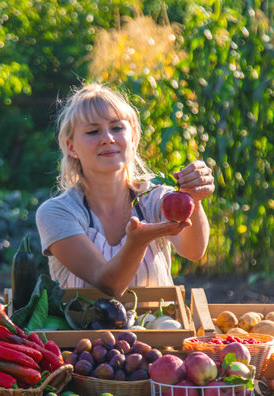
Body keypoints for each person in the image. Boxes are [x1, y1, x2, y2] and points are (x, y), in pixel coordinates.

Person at [36, 83, 215, 297]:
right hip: (82, 329)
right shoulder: (57, 213)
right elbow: (109, 283)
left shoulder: (155, 197)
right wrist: (137, 242)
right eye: (93, 131)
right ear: (71, 147)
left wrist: (193, 200)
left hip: (158, 327)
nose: (108, 138)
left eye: (117, 128)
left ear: (133, 138)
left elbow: (194, 251)